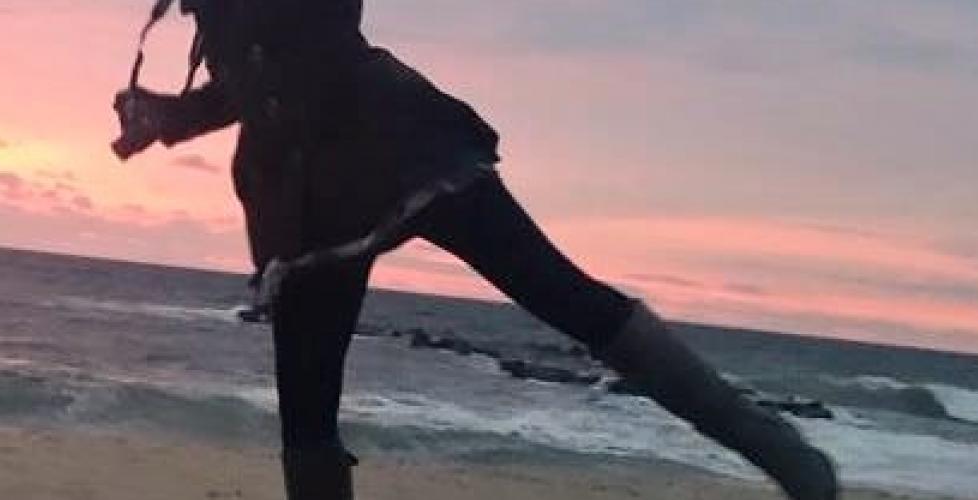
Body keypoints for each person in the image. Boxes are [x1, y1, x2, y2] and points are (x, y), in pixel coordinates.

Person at [108, 1, 840, 499]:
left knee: (561, 293)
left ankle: (782, 454)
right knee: (306, 406)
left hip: (393, 141)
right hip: (301, 191)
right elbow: (248, 86)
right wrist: (166, 116)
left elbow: (318, 49)